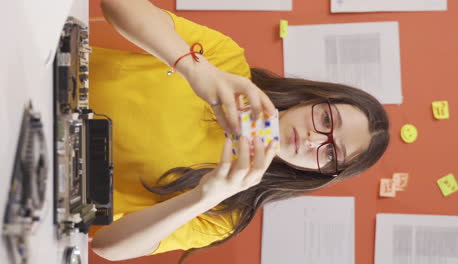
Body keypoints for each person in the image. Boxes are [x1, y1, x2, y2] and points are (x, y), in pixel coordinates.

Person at [89, 0, 390, 262]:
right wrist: (196, 69)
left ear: (323, 172)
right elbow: (116, 4)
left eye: (332, 152)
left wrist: (205, 196)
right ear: (310, 98)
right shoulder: (227, 60)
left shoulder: (227, 211)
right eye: (326, 120)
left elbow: (107, 247)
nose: (314, 140)